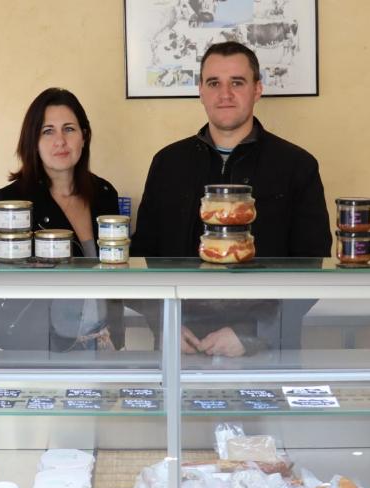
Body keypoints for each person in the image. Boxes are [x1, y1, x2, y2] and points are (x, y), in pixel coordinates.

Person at [131, 41, 332, 357]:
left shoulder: (297, 166)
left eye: (237, 82)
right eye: (214, 83)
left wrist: (253, 334)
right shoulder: (168, 163)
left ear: (257, 89)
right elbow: (142, 255)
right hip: (181, 347)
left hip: (269, 352)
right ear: (200, 90)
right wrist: (163, 322)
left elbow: (313, 263)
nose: (224, 94)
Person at [0, 88, 123, 364]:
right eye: (48, 131)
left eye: (69, 129)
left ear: (84, 136)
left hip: (101, 348)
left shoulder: (105, 193)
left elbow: (117, 273)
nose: (60, 140)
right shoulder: (7, 202)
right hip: (35, 350)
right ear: (32, 140)